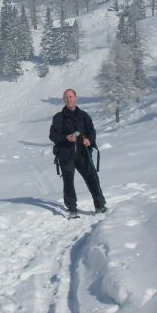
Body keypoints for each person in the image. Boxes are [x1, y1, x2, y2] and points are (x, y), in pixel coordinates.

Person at [49, 88, 107, 217]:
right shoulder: (58, 117)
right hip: (66, 154)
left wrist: (89, 140)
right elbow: (53, 135)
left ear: (75, 98)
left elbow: (91, 131)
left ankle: (100, 205)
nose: (69, 99)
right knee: (68, 182)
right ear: (64, 100)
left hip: (83, 153)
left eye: (71, 96)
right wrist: (66, 138)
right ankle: (72, 209)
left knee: (92, 178)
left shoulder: (84, 115)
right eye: (66, 97)